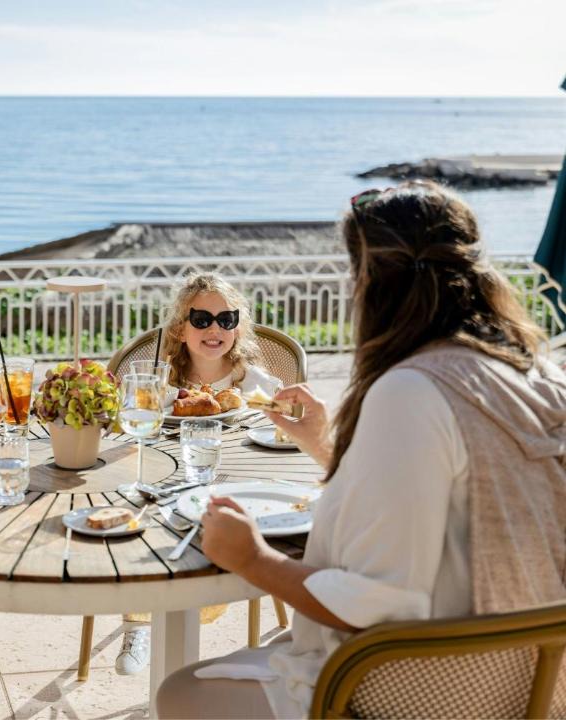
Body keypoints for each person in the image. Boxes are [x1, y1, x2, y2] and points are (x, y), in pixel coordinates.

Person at [157, 181, 566, 718]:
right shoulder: (536, 374)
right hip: (535, 678)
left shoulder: (411, 390)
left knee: (180, 692)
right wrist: (323, 445)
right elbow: (437, 501)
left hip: (437, 687)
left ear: (372, 283)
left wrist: (253, 559)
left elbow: (379, 604)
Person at [115, 271, 283, 675]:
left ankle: (179, 630)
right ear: (180, 327)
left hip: (228, 482)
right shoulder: (160, 380)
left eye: (226, 319)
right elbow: (124, 426)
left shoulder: (252, 382)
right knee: (139, 524)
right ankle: (138, 624)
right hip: (163, 478)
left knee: (204, 532)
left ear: (238, 327)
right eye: (202, 319)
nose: (214, 329)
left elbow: (280, 426)